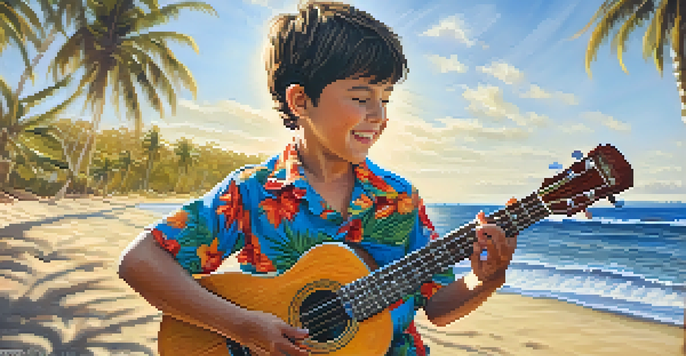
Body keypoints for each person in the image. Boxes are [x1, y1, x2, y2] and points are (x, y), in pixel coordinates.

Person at [117, 1, 518, 355]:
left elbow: (437, 305)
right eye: (362, 99)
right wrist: (243, 327)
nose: (379, 116)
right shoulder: (253, 190)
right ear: (300, 100)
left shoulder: (400, 198)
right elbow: (140, 260)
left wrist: (485, 280)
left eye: (386, 99)